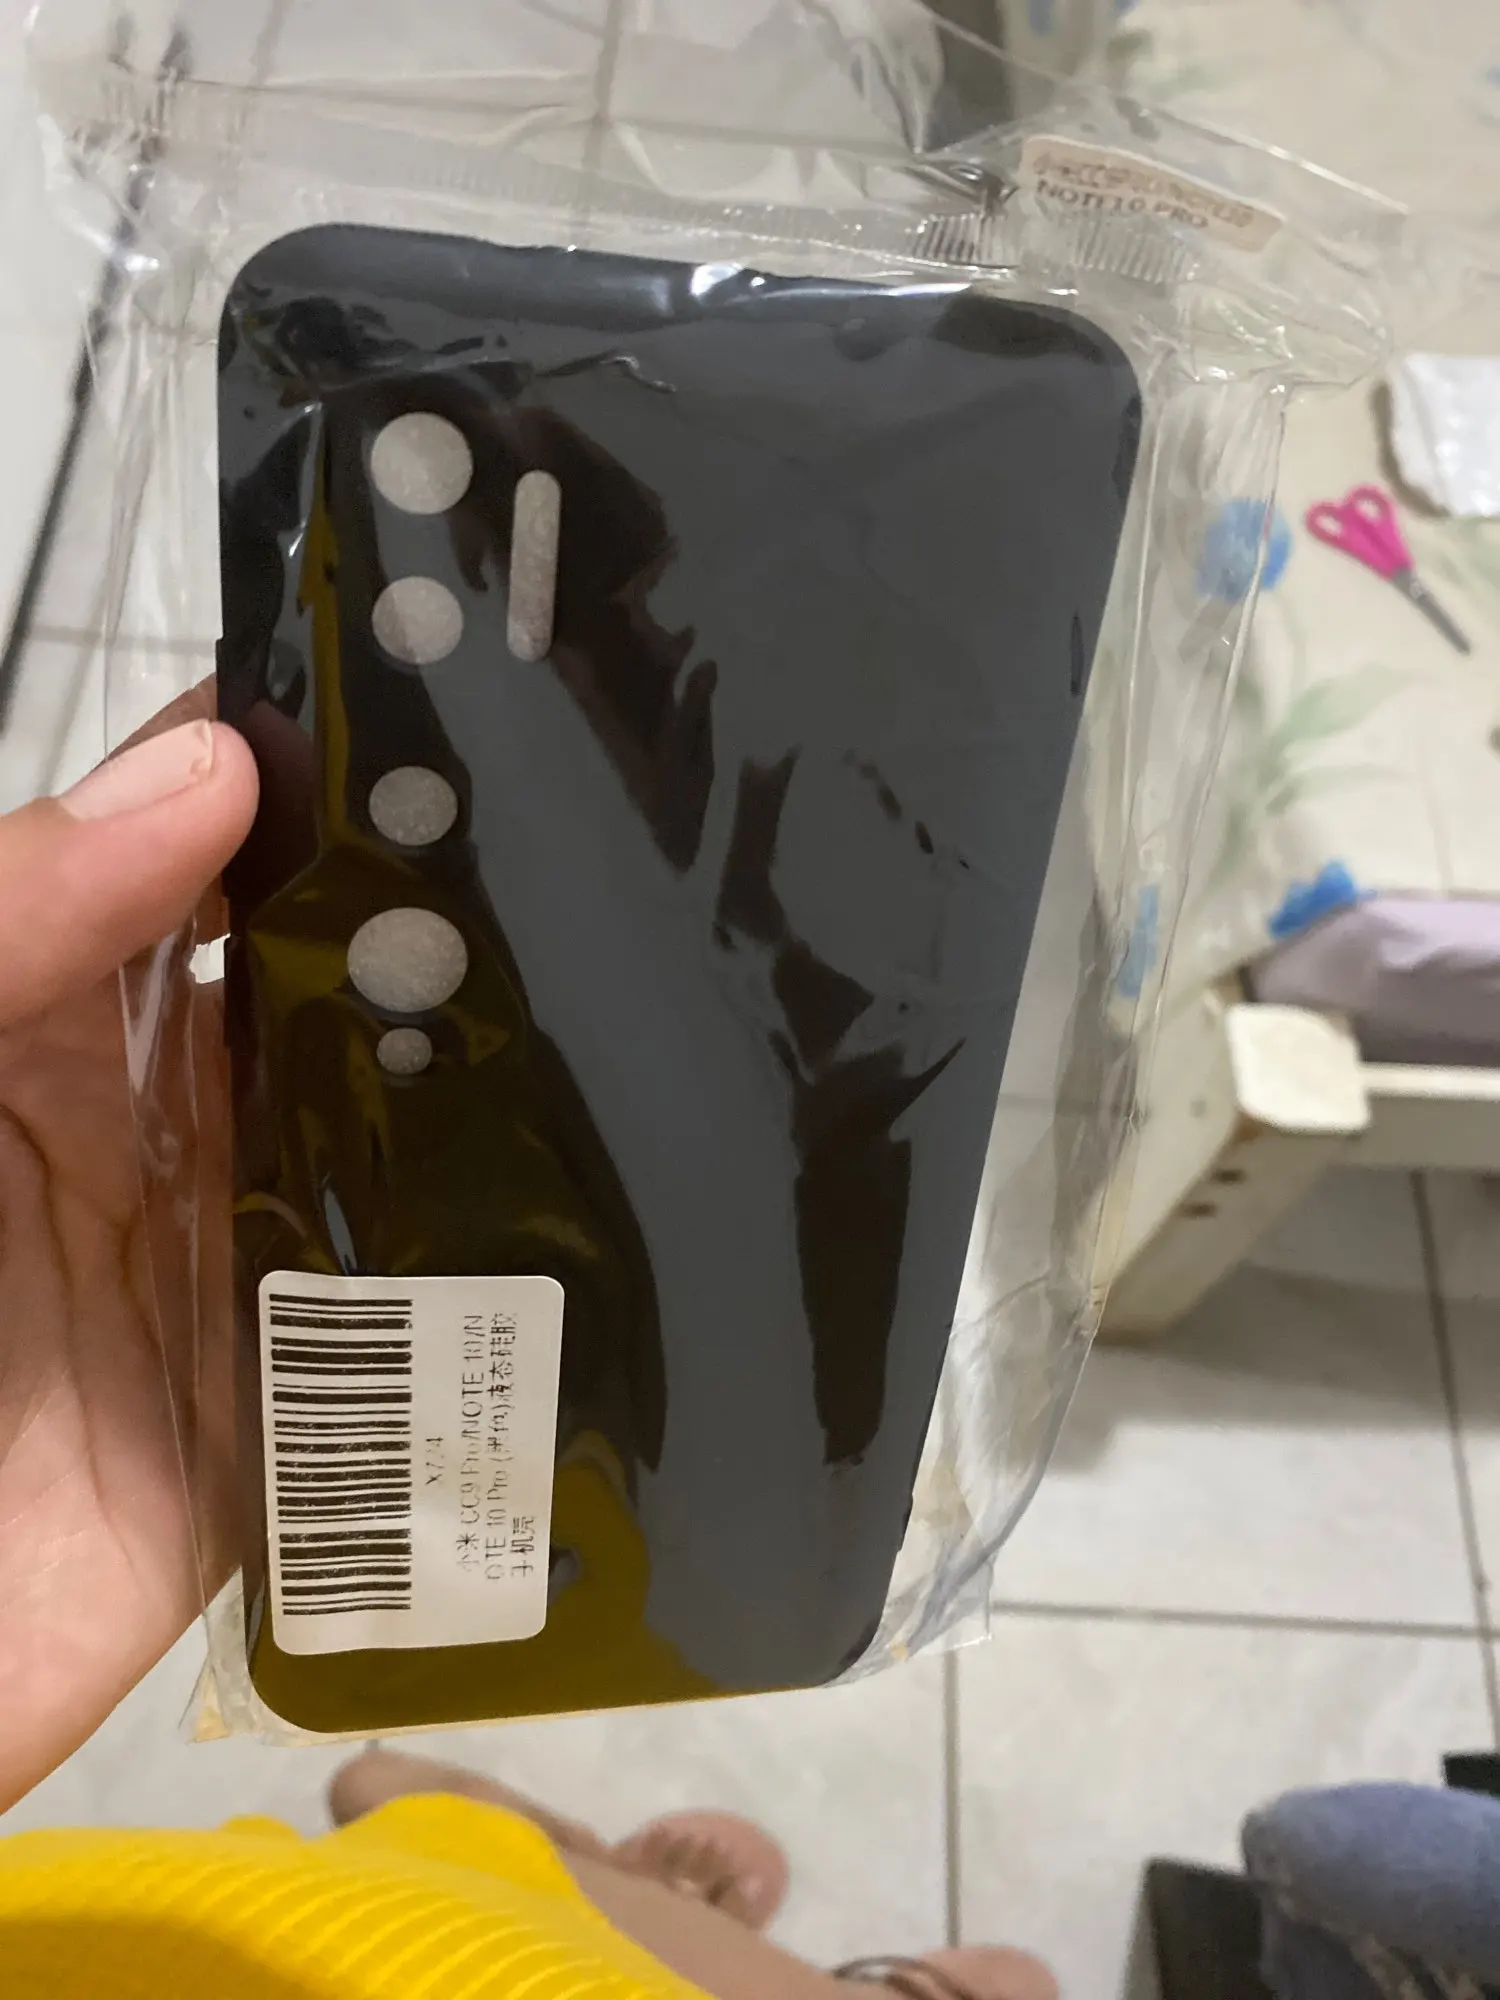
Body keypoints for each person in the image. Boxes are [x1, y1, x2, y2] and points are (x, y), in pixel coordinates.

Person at [0, 698, 1056, 1999]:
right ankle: (784, 1953)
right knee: (998, 1979)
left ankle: (579, 1875)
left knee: (409, 1803)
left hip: (182, 1940)